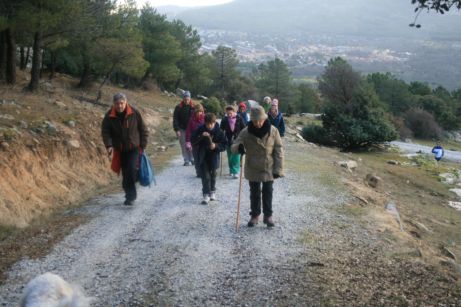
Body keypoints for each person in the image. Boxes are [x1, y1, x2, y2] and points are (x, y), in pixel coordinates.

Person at [231, 105, 284, 227]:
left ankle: (268, 215)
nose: (258, 123)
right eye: (255, 121)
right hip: (252, 167)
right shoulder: (245, 131)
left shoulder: (273, 130)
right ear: (252, 120)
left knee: (268, 191)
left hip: (268, 167)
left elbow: (279, 150)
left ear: (264, 118)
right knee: (254, 192)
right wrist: (238, 148)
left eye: (260, 120)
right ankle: (255, 215)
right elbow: (234, 146)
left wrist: (278, 169)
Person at [102, 93, 149, 206]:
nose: (119, 106)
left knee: (131, 169)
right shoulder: (109, 115)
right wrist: (109, 145)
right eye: (117, 104)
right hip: (120, 149)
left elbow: (143, 129)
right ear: (114, 104)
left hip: (134, 148)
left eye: (121, 103)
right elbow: (105, 132)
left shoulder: (134, 112)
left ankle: (131, 196)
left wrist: (143, 145)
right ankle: (129, 195)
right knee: (126, 173)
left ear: (125, 102)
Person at [192, 113, 227, 205]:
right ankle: (205, 194)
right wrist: (201, 136)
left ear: (215, 122)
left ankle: (212, 191)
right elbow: (193, 140)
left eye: (211, 124)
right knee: (205, 176)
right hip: (203, 156)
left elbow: (225, 145)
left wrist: (215, 146)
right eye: (207, 124)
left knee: (213, 175)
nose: (209, 126)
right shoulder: (200, 129)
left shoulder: (219, 132)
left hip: (214, 157)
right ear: (205, 123)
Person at [220, 105, 246, 179]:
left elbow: (244, 129)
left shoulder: (239, 118)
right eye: (228, 113)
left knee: (236, 156)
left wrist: (243, 138)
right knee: (230, 156)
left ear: (234, 112)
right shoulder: (224, 119)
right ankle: (231, 170)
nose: (229, 115)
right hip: (228, 140)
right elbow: (221, 129)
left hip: (237, 140)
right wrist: (221, 137)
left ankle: (235, 171)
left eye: (230, 113)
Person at [173, 91, 194, 166]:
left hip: (191, 129)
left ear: (190, 98)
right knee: (183, 144)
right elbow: (175, 119)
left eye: (188, 98)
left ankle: (192, 158)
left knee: (191, 144)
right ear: (183, 98)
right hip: (182, 129)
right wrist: (177, 129)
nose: (186, 100)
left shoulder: (193, 107)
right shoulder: (178, 107)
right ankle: (186, 160)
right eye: (185, 98)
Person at [185, 103, 205, 177]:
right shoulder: (191, 120)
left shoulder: (205, 119)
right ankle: (198, 172)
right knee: (196, 158)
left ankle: (204, 171)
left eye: (201, 111)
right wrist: (188, 142)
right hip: (194, 142)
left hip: (203, 142)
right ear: (194, 112)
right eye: (198, 112)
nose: (199, 113)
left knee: (203, 157)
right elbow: (188, 131)